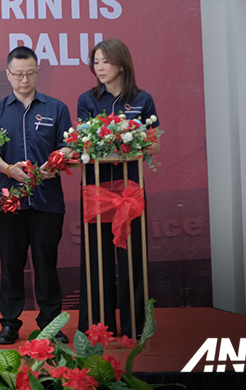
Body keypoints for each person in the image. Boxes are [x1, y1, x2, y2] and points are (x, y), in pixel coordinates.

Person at [0, 46, 73, 345]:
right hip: (8, 201)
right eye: (19, 74)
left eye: (30, 73)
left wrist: (57, 160)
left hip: (47, 200)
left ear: (37, 72)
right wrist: (9, 170)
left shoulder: (56, 108)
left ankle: (50, 324)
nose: (24, 79)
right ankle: (10, 324)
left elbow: (68, 144)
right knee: (10, 265)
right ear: (8, 74)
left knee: (46, 264)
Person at [76, 38, 160, 338]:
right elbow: (84, 146)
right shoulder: (87, 100)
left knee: (132, 257)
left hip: (129, 190)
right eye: (95, 62)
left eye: (105, 61)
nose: (99, 67)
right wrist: (120, 145)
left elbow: (153, 142)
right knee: (95, 258)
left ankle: (135, 327)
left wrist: (130, 144)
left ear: (121, 64)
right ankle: (98, 327)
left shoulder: (142, 99)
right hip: (96, 189)